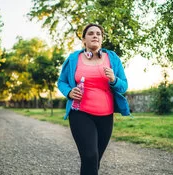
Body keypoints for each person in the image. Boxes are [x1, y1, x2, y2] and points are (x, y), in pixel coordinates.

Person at [57, 23, 130, 175]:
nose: (95, 35)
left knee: (94, 160)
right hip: (80, 113)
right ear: (84, 39)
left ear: (102, 39)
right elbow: (61, 81)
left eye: (98, 33)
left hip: (106, 116)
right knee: (90, 156)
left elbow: (124, 86)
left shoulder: (113, 58)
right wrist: (69, 92)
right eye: (90, 33)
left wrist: (114, 80)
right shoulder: (73, 58)